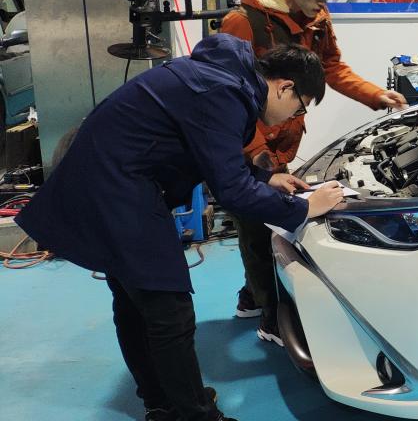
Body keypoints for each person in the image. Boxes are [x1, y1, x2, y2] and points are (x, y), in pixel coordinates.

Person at [15, 35, 346, 421]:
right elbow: (233, 192)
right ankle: (193, 414)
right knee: (167, 309)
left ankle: (161, 402)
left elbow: (211, 152)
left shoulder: (220, 77)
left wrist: (265, 178)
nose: (293, 118)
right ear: (285, 87)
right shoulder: (224, 93)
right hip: (118, 190)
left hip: (105, 179)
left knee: (135, 302)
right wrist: (304, 209)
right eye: (299, 107)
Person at [219, 0, 407, 345]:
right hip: (246, 141)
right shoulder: (244, 23)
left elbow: (331, 67)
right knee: (257, 230)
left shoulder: (317, 18)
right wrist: (257, 156)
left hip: (282, 140)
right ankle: (271, 319)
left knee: (272, 227)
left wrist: (376, 95)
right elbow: (227, 96)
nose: (322, 3)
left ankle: (251, 296)